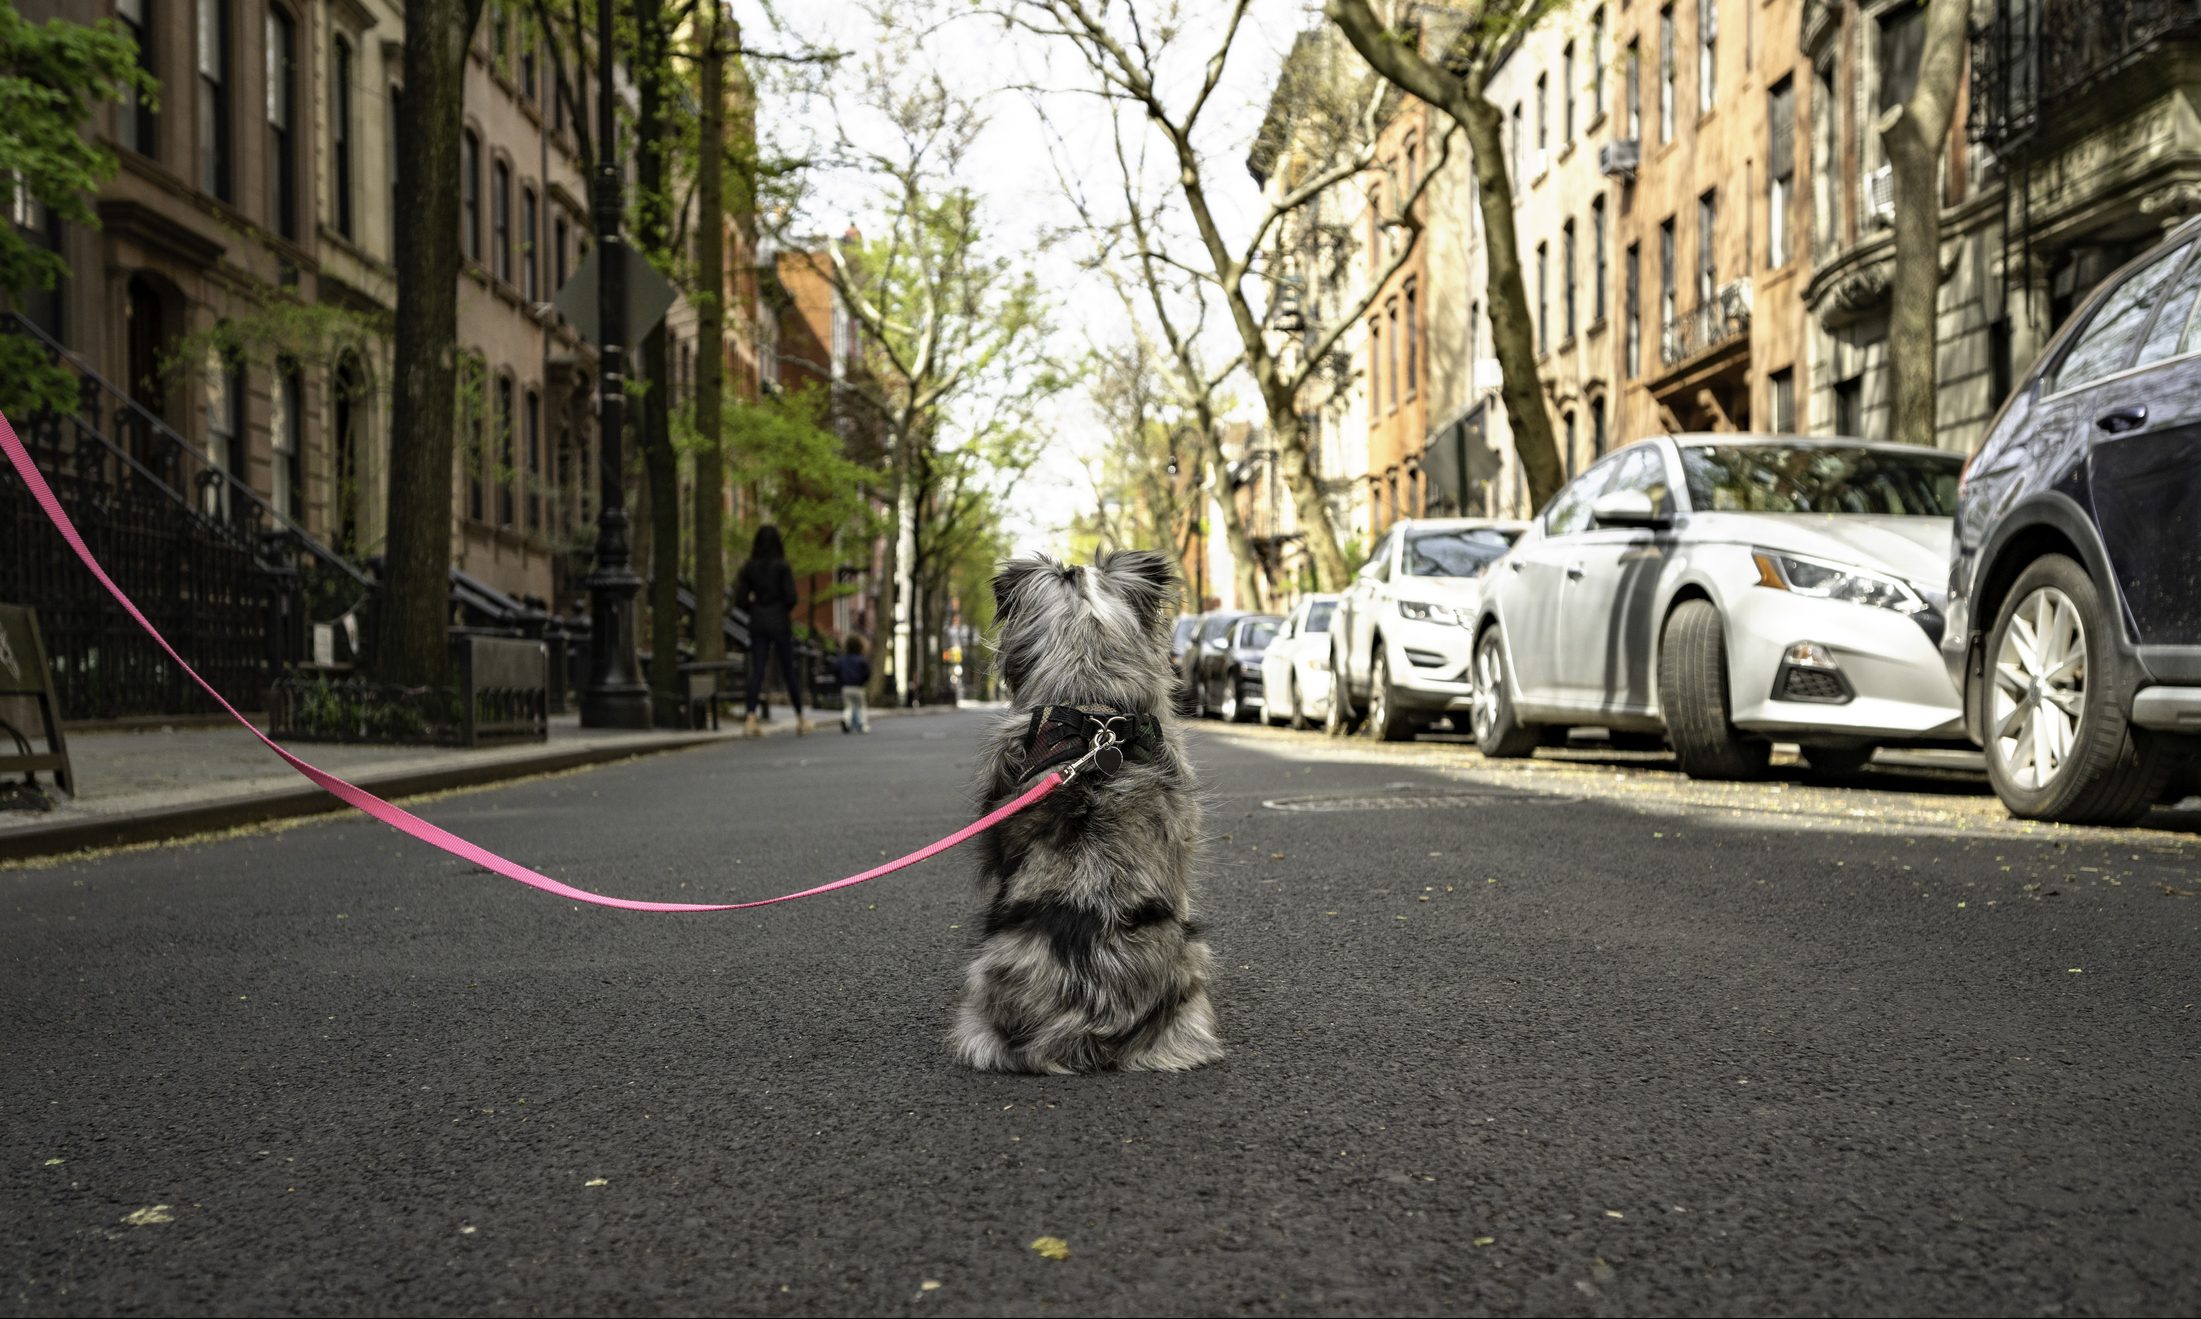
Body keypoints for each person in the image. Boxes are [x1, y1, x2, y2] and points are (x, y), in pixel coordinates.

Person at [735, 525, 808, 737]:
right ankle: (800, 718)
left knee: (757, 669)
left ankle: (750, 717)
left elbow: (740, 599)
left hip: (758, 621)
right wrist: (780, 610)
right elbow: (791, 598)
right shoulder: (782, 567)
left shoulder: (750, 567)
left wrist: (756, 609)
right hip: (779, 621)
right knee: (788, 669)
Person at [837, 635, 872, 734]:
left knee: (848, 707)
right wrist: (862, 681)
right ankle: (863, 724)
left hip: (845, 687)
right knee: (861, 706)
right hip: (858, 687)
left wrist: (841, 680)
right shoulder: (862, 660)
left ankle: (845, 719)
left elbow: (836, 670)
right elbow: (867, 673)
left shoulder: (842, 659)